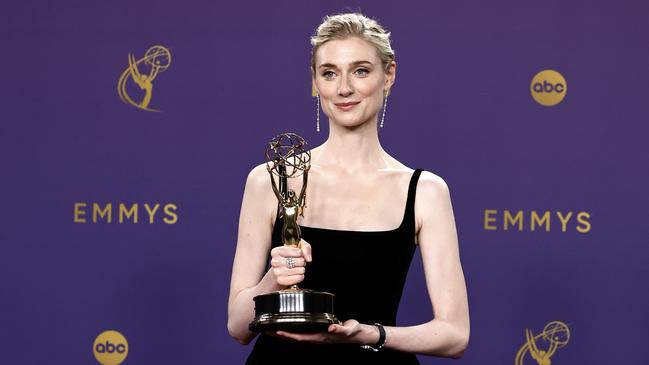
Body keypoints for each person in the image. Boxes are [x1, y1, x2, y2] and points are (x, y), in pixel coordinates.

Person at [227, 12, 469, 364]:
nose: (344, 88)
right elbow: (237, 328)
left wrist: (370, 333)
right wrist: (273, 281)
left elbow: (455, 335)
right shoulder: (269, 179)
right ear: (315, 81)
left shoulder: (424, 191)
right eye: (329, 73)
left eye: (360, 70)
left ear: (389, 76)